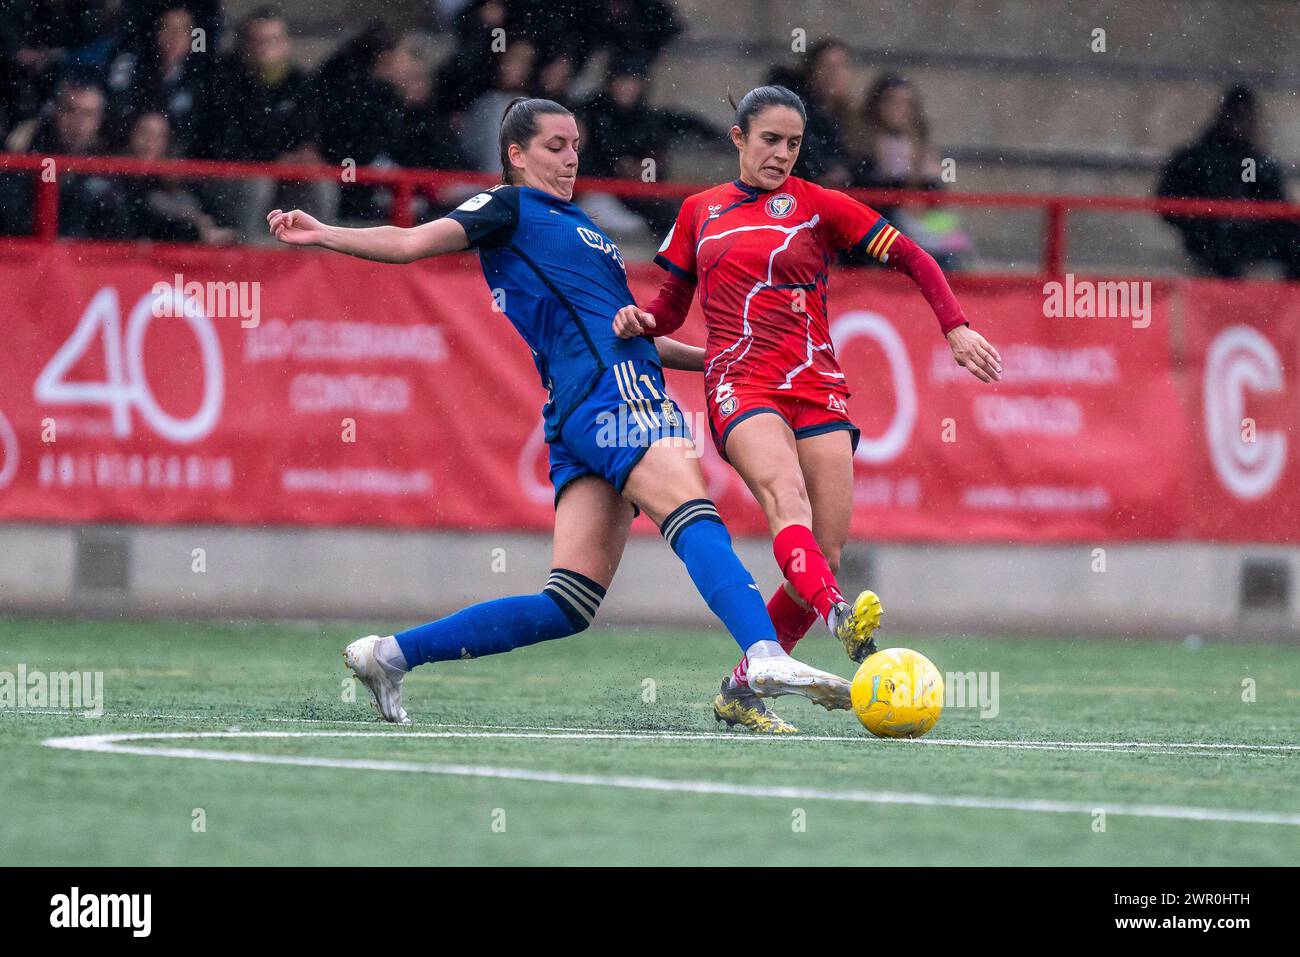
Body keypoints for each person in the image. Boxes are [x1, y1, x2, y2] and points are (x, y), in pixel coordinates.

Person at [268, 97, 852, 727]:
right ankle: (763, 653)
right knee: (690, 503)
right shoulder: (508, 206)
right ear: (516, 156)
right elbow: (411, 241)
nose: (571, 158)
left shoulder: (582, 229)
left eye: (575, 145)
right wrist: (326, 233)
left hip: (583, 406)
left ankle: (389, 655)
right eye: (554, 147)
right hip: (612, 390)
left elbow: (628, 330)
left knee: (568, 603)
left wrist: (718, 359)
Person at [615, 85, 1002, 732]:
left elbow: (911, 254)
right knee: (785, 503)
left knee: (824, 546)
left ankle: (745, 684)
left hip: (817, 383)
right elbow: (671, 307)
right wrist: (642, 319)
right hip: (741, 382)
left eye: (793, 144)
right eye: (769, 139)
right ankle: (841, 619)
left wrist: (955, 326)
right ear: (738, 138)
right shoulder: (700, 212)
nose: (781, 154)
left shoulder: (818, 205)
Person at [1157, 84, 1300, 280]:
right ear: (1223, 115)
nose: (1238, 123)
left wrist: (1250, 214)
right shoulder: (1197, 158)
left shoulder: (1252, 161)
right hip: (1209, 235)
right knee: (1223, 253)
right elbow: (1170, 203)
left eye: (1244, 116)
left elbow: (1274, 202)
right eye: (1234, 115)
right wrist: (1205, 218)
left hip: (1246, 236)